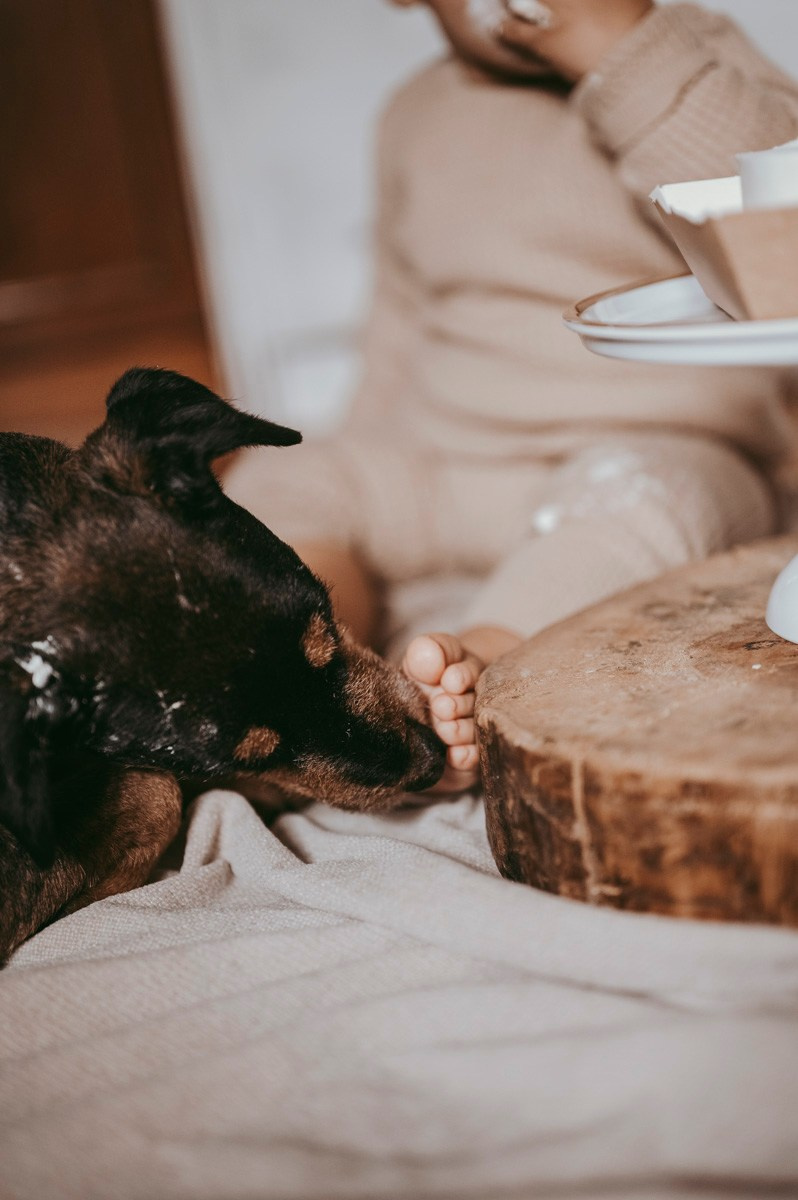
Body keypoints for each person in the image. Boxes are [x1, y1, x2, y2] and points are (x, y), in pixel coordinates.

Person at [225, 0, 798, 791]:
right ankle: (315, 668)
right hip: (453, 464)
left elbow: (777, 222)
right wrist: (358, 460)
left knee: (658, 499)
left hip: (662, 445)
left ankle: (486, 664)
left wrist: (621, 51)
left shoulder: (693, 59)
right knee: (283, 476)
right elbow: (399, 325)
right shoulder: (415, 116)